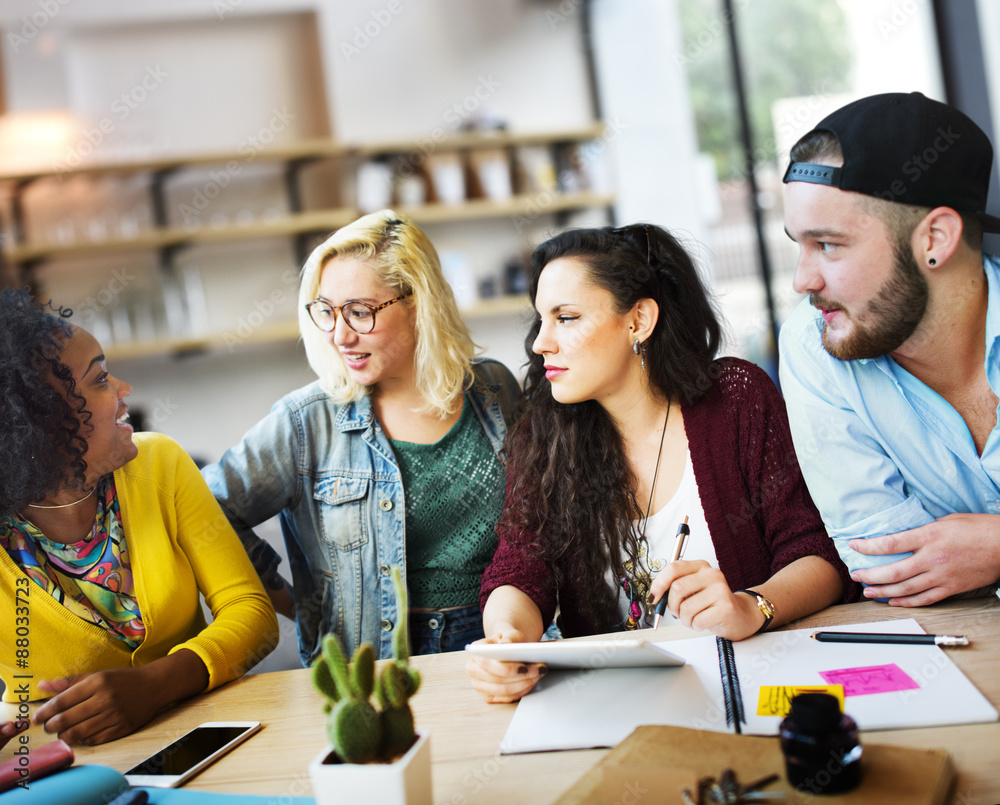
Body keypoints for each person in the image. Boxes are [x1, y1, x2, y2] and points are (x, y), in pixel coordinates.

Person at [466, 224, 854, 703]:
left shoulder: (738, 400)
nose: (539, 343)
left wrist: (751, 606)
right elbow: (520, 570)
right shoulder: (546, 433)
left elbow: (815, 551)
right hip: (615, 701)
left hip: (752, 685)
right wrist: (506, 640)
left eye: (565, 317)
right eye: (541, 320)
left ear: (638, 321)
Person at [202, 210, 520, 664]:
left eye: (359, 311)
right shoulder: (304, 421)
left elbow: (539, 525)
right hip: (377, 662)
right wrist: (301, 606)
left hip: (500, 640)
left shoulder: (494, 390)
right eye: (327, 312)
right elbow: (206, 508)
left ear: (418, 302)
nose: (339, 335)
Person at [0, 287, 278, 745]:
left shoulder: (159, 464)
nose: (124, 390)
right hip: (56, 761)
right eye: (101, 379)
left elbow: (252, 616)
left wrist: (156, 685)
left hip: (196, 736)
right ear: (41, 424)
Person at [779, 91, 1000, 607]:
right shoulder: (814, 345)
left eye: (828, 245)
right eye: (799, 245)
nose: (802, 280)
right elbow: (887, 567)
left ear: (936, 239)